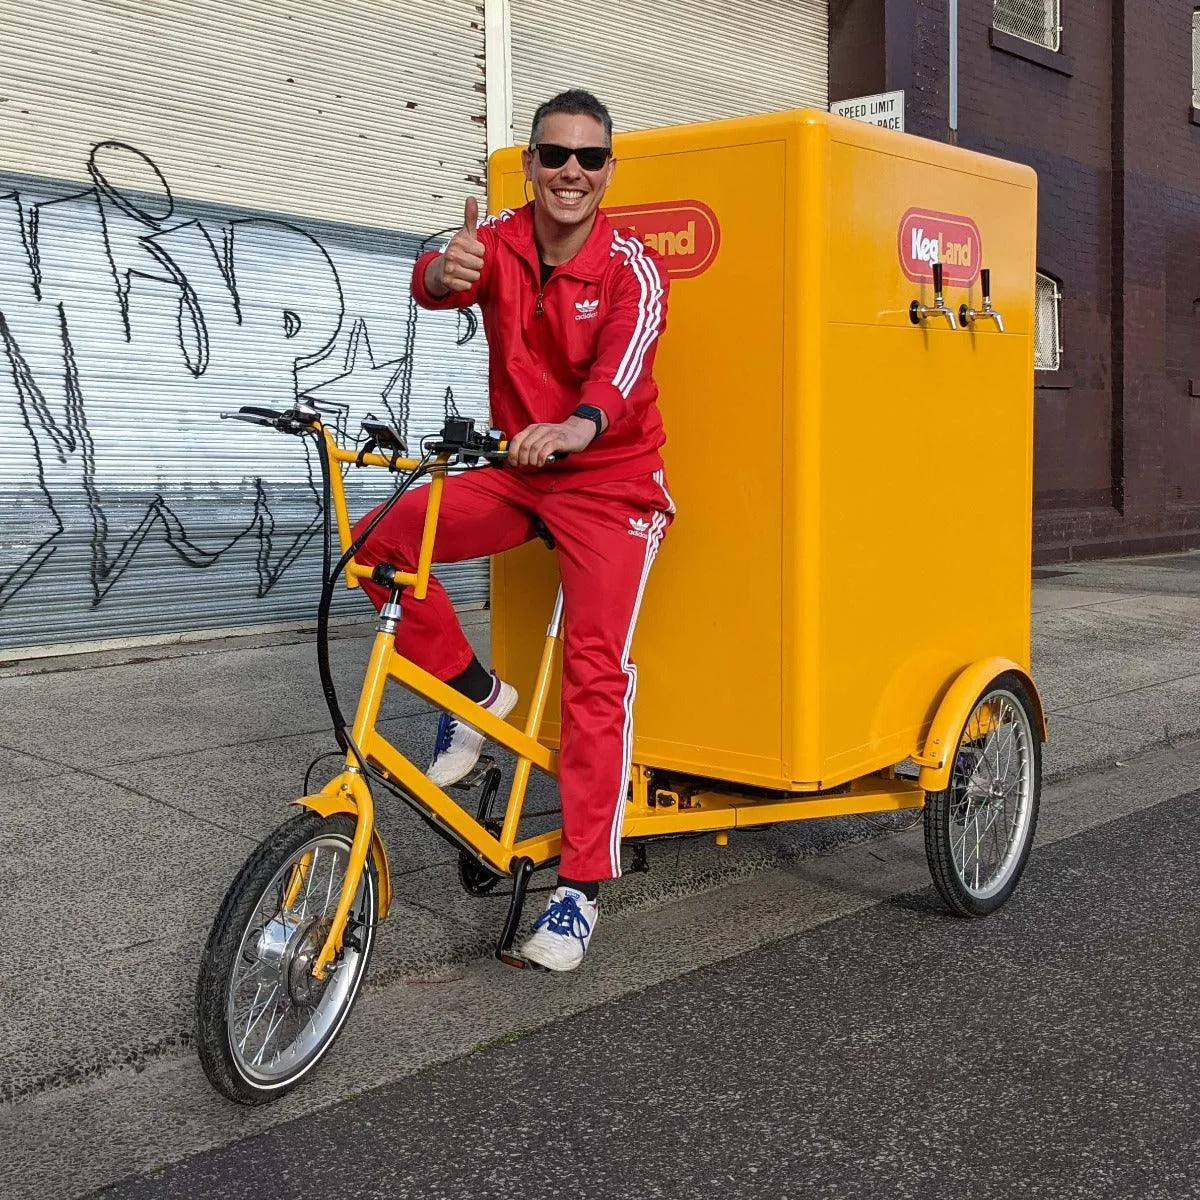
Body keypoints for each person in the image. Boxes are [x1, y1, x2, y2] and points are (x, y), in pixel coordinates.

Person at [353, 89, 673, 972]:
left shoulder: (631, 268)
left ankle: (579, 890)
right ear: (529, 164)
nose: (572, 172)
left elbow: (626, 359)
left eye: (590, 158)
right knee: (379, 540)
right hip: (517, 472)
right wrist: (435, 273)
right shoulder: (497, 237)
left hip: (611, 485)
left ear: (610, 171)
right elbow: (439, 276)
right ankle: (478, 698)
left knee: (593, 674)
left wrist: (581, 424)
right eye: (554, 155)